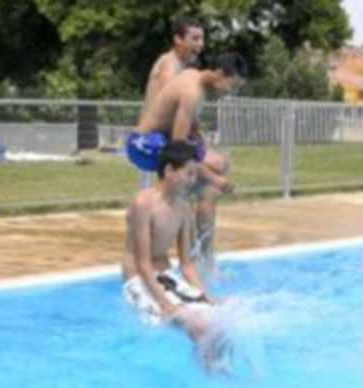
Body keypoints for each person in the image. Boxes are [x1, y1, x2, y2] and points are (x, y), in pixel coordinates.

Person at [129, 52, 247, 275]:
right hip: (143, 145)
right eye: (233, 85)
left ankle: (200, 254)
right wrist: (214, 179)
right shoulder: (193, 93)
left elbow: (189, 130)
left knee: (217, 167)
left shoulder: (194, 76)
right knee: (201, 180)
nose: (232, 92)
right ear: (221, 74)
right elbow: (179, 151)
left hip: (157, 140)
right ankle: (182, 255)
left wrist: (207, 157)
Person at [122, 141, 230, 370]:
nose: (192, 180)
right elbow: (142, 264)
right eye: (188, 174)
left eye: (194, 175)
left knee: (222, 325)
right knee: (198, 328)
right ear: (169, 170)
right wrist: (165, 305)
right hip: (140, 280)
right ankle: (211, 376)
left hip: (167, 277)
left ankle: (219, 375)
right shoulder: (143, 203)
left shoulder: (183, 208)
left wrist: (207, 295)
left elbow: (187, 264)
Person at [143, 17, 205, 107]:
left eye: (202, 39)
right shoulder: (169, 63)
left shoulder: (180, 64)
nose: (201, 44)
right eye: (195, 39)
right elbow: (172, 99)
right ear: (178, 39)